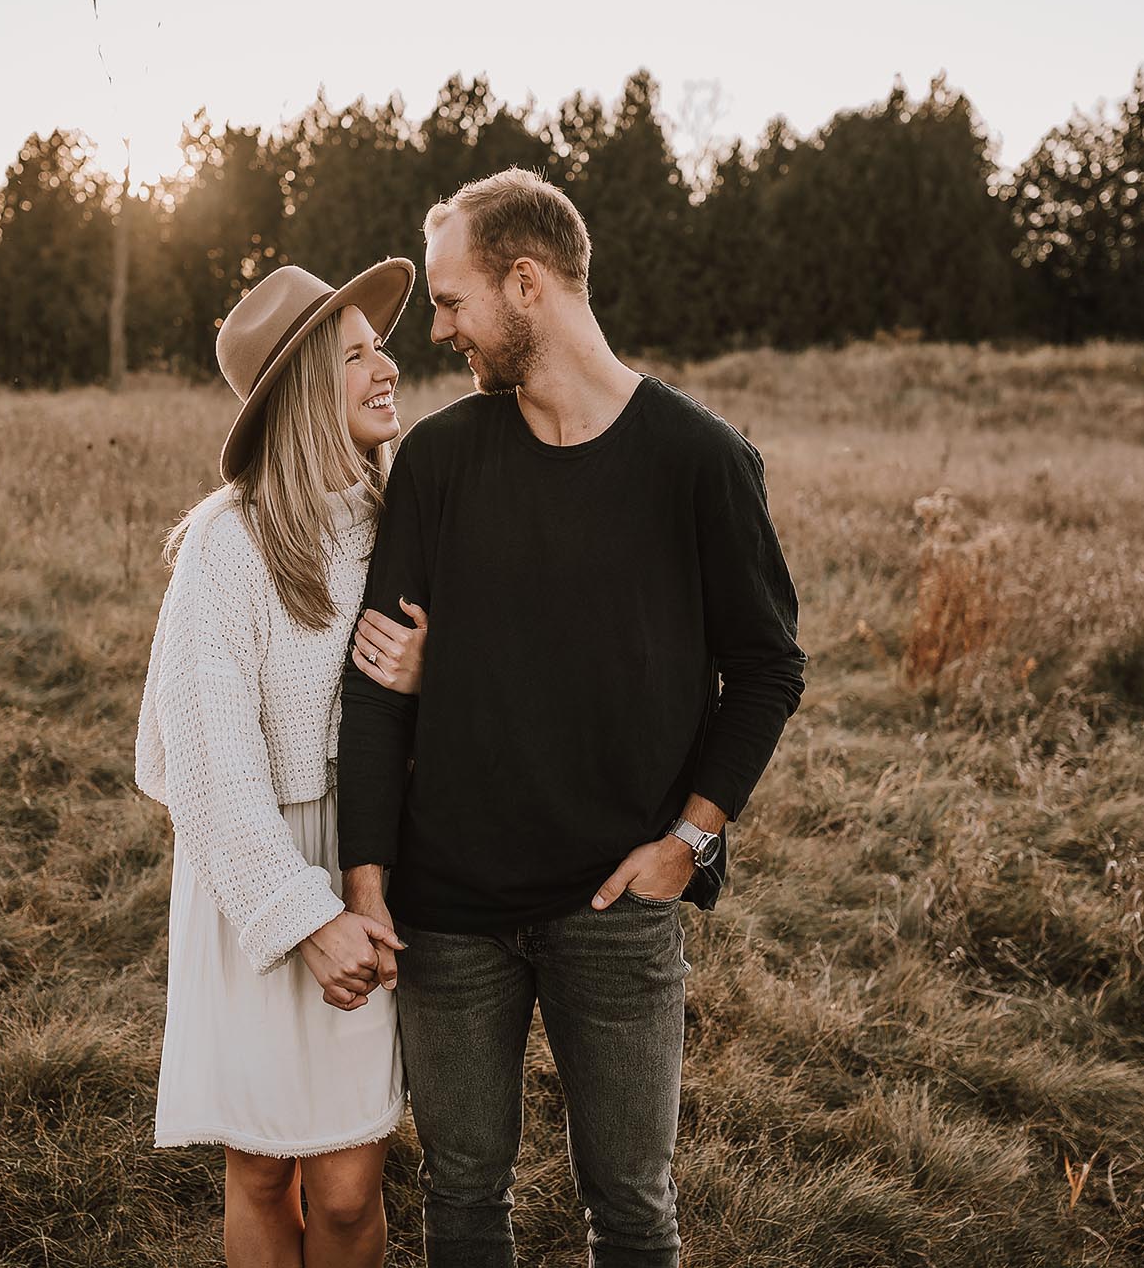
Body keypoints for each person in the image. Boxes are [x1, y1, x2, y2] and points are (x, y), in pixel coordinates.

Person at [336, 169, 807, 1267]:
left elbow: (767, 668)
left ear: (527, 282)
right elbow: (372, 685)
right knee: (461, 1201)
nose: (438, 332)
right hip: (446, 914)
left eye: (451, 302)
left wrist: (684, 844)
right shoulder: (441, 462)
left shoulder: (699, 461)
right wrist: (368, 878)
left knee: (634, 1212)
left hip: (616, 906)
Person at [134, 257, 432, 1267]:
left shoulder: (405, 515)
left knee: (348, 1186)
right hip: (255, 874)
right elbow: (209, 759)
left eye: (378, 345)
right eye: (355, 356)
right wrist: (301, 915)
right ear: (307, 389)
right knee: (262, 1165)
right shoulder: (230, 542)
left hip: (368, 861)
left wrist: (434, 666)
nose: (384, 366)